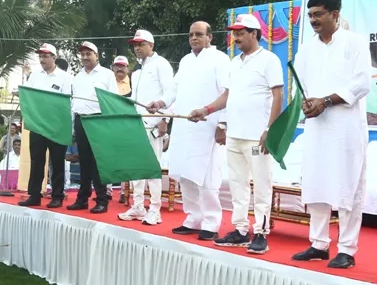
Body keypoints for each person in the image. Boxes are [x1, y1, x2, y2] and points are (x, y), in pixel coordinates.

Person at [291, 0, 371, 269]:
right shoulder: (306, 49)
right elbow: (301, 85)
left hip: (346, 127)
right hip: (317, 126)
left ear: (335, 15)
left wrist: (325, 101)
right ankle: (318, 244)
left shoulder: (355, 42)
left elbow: (362, 84)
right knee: (316, 182)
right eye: (310, 15)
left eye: (319, 14)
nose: (313, 20)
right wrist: (307, 102)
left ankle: (347, 249)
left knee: (348, 184)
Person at [191, 14, 283, 255]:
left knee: (261, 185)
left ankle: (261, 233)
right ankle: (241, 231)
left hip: (257, 137)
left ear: (254, 34)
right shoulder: (234, 63)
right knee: (237, 185)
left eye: (241, 33)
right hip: (235, 135)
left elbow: (278, 96)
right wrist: (206, 110)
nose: (236, 38)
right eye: (234, 33)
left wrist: (270, 130)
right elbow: (227, 96)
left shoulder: (269, 60)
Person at [148, 22, 229, 241]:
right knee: (185, 174)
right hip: (184, 126)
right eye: (191, 34)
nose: (194, 38)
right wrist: (159, 103)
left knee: (207, 176)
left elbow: (227, 93)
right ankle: (193, 218)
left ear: (210, 37)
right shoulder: (185, 60)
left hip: (207, 126)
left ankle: (211, 222)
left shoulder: (220, 59)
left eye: (199, 34)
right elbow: (173, 90)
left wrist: (222, 124)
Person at [119, 29, 176, 226]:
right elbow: (135, 100)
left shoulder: (161, 64)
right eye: (135, 45)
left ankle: (155, 209)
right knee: (136, 167)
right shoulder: (137, 72)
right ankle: (138, 206)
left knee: (152, 168)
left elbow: (171, 93)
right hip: (137, 124)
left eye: (141, 44)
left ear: (151, 45)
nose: (137, 48)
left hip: (153, 124)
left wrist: (165, 119)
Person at [68, 41, 118, 214]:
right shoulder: (77, 76)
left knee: (98, 163)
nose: (85, 57)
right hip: (80, 120)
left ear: (96, 55)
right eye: (82, 54)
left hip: (99, 121)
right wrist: (73, 126)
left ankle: (102, 200)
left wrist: (110, 124)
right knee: (84, 161)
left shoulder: (107, 74)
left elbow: (112, 100)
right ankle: (82, 199)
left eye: (88, 54)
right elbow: (74, 102)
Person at [20, 43, 72, 208]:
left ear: (54, 57)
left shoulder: (65, 77)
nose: (42, 59)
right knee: (36, 161)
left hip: (57, 126)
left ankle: (57, 196)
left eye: (45, 56)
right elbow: (29, 98)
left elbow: (67, 103)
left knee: (57, 162)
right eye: (40, 56)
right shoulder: (35, 76)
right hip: (38, 125)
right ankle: (34, 195)